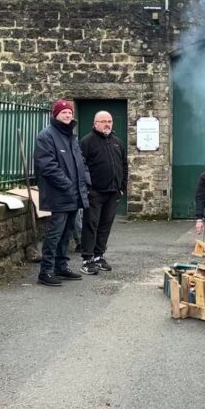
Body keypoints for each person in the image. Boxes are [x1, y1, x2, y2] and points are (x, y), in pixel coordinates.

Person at [33, 99, 90, 287]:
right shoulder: (46, 136)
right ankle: (46, 271)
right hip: (59, 193)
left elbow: (80, 161)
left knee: (66, 232)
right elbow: (47, 165)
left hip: (73, 193)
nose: (67, 115)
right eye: (64, 112)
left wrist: (85, 181)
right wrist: (67, 184)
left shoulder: (71, 136)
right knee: (54, 233)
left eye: (69, 113)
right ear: (55, 115)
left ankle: (61, 266)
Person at [78, 111, 128, 275]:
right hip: (95, 193)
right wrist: (88, 188)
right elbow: (81, 167)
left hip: (113, 193)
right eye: (104, 121)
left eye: (110, 121)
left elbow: (124, 165)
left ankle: (99, 256)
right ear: (95, 123)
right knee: (91, 225)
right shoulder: (86, 142)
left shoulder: (117, 143)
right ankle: (87, 259)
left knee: (105, 225)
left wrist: (122, 187)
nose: (107, 124)